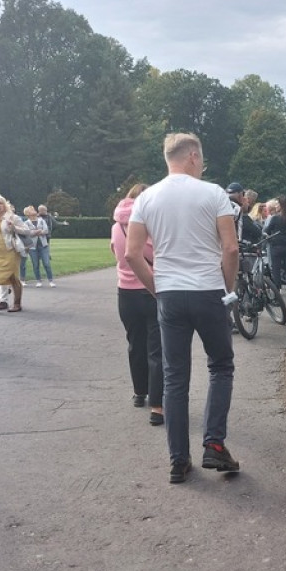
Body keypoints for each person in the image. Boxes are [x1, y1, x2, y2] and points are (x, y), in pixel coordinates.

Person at [125, 133, 240, 484]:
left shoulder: (146, 197)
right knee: (220, 366)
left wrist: (157, 288)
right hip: (207, 289)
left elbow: (132, 253)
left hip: (171, 292)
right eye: (201, 159)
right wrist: (229, 289)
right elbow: (231, 249)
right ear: (192, 156)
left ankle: (178, 459)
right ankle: (213, 443)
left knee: (176, 377)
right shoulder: (213, 193)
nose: (202, 165)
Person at [112, 182, 163, 427]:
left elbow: (117, 252)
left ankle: (139, 391)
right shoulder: (150, 225)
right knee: (157, 348)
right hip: (151, 289)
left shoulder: (116, 227)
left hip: (125, 292)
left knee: (135, 343)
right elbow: (155, 255)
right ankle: (157, 404)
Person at [0, 192, 32, 314]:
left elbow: (27, 231)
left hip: (11, 252)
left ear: (5, 205)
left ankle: (17, 304)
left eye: (1, 203)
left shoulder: (12, 217)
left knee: (13, 278)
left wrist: (14, 228)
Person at [263, 195, 286, 305]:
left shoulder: (275, 218)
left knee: (276, 271)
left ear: (281, 206)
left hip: (276, 247)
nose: (276, 206)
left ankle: (277, 298)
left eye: (277, 204)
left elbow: (267, 231)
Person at [24, 206, 55, 287]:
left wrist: (38, 232)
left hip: (43, 245)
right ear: (27, 213)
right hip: (33, 247)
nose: (34, 211)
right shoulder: (26, 223)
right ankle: (38, 280)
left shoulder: (41, 221)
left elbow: (46, 230)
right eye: (31, 210)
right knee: (35, 264)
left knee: (46, 263)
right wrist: (37, 232)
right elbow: (28, 233)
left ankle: (51, 280)